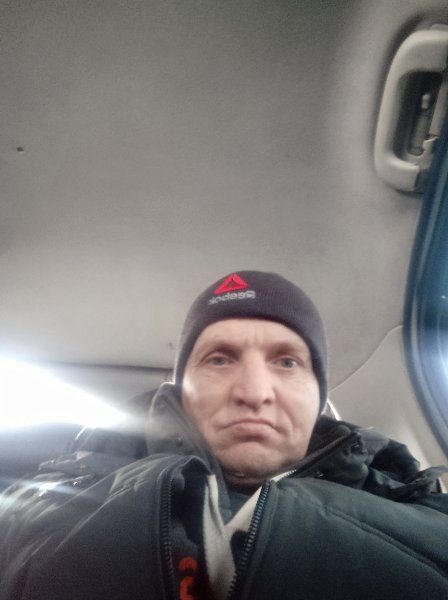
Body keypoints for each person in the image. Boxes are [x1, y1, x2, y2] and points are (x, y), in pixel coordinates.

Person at [1, 270, 448, 600]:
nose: (253, 392)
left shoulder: (420, 518)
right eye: (219, 359)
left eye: (287, 362)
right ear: (181, 391)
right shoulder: (46, 503)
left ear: (319, 397)